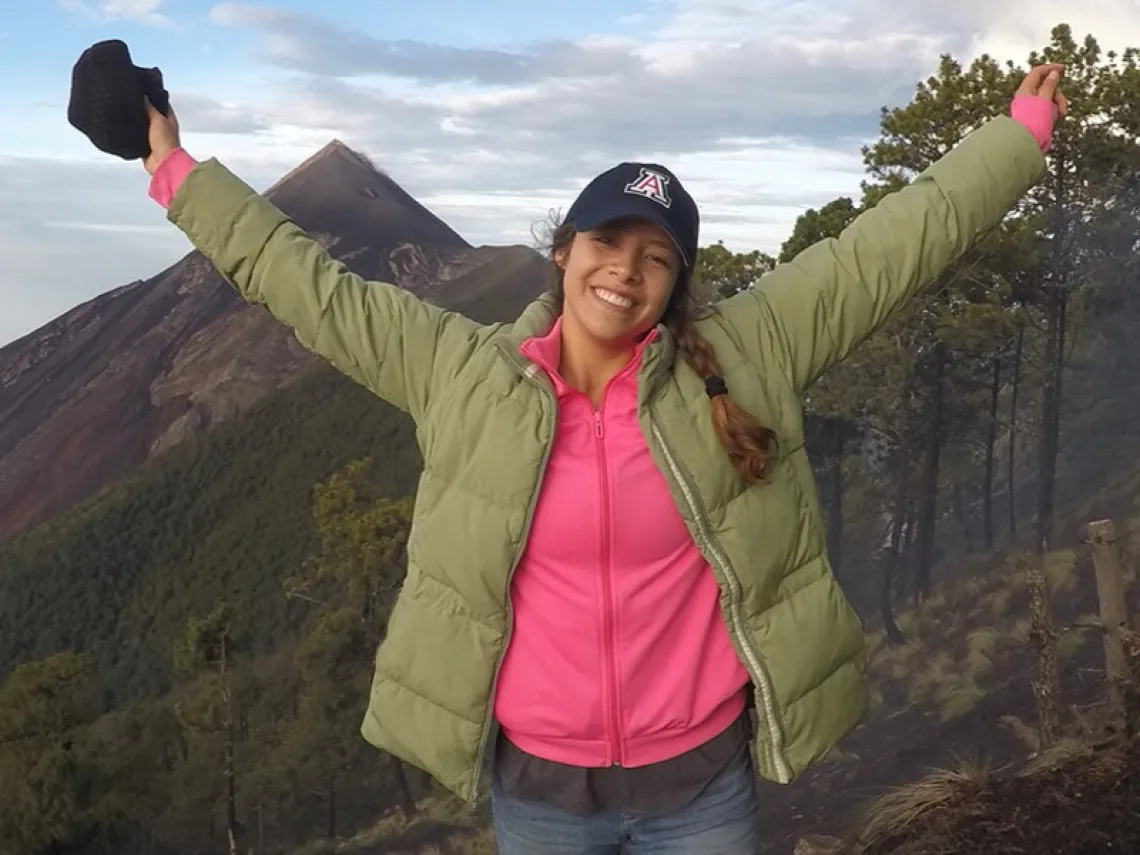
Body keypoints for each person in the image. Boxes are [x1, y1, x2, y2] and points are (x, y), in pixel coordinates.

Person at [140, 64, 1067, 853]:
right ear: (564, 250)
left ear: (674, 285)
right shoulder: (464, 372)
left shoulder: (751, 354)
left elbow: (892, 245)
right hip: (540, 794)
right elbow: (310, 285)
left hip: (700, 786)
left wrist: (1018, 139)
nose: (625, 269)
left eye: (656, 258)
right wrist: (176, 169)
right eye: (607, 242)